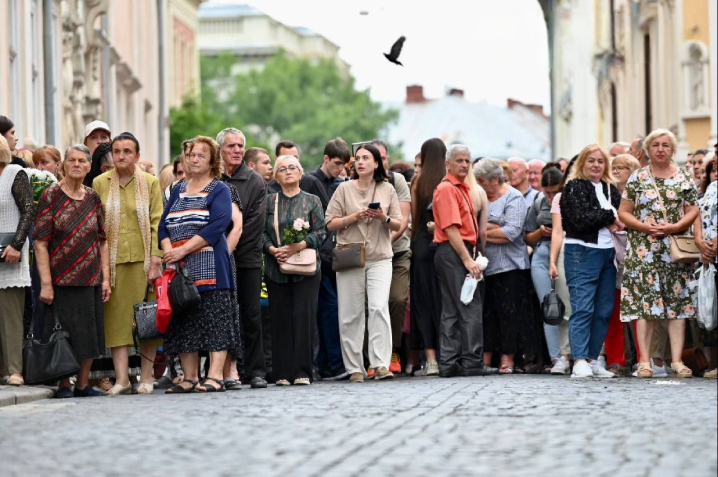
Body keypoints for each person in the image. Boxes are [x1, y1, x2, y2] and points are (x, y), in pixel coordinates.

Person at [160, 136, 239, 393]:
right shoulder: (176, 189)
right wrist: (169, 252)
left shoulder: (220, 189)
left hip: (212, 267)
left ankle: (215, 375)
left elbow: (218, 225)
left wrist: (183, 248)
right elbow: (163, 225)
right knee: (185, 321)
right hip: (180, 269)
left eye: (200, 156)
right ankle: (190, 377)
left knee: (215, 320)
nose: (194, 159)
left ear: (212, 161)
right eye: (191, 155)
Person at [619, 129, 699, 379]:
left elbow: (693, 209)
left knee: (677, 306)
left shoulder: (684, 177)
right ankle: (644, 361)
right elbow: (624, 212)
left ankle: (676, 361)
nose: (661, 149)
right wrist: (645, 227)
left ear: (673, 150)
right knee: (646, 306)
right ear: (647, 150)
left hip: (673, 251)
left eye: (666, 145)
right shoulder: (638, 177)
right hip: (643, 250)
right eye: (655, 145)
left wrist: (675, 227)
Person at [33, 145, 110, 398]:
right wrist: (46, 283)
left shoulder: (92, 198)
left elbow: (102, 239)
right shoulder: (50, 196)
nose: (76, 164)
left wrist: (106, 278)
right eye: (71, 160)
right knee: (62, 333)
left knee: (89, 333)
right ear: (63, 165)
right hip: (60, 279)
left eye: (81, 161)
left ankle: (83, 384)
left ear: (89, 166)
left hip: (90, 278)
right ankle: (64, 383)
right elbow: (41, 243)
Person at [92, 132, 164, 395]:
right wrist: (101, 269)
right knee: (116, 322)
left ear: (137, 155)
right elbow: (97, 226)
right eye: (117, 151)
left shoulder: (150, 182)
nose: (121, 156)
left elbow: (158, 222)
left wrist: (156, 260)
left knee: (147, 319)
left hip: (145, 262)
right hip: (111, 262)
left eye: (127, 151)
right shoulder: (100, 182)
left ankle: (146, 378)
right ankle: (122, 379)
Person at [325, 144, 401, 382]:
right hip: (350, 256)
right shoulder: (343, 189)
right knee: (350, 313)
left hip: (380, 256)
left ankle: (380, 364)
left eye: (366, 158)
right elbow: (329, 223)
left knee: (378, 307)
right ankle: (354, 367)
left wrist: (383, 218)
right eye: (357, 158)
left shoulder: (387, 188)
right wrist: (354, 217)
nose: (360, 162)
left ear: (376, 163)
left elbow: (399, 224)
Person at [556, 144, 622, 378]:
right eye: (591, 160)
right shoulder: (574, 187)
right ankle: (579, 360)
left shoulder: (610, 189)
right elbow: (580, 220)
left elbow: (615, 217)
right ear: (582, 163)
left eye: (600, 161)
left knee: (603, 309)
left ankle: (593, 358)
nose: (596, 165)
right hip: (581, 252)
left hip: (607, 253)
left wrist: (608, 218)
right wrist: (610, 217)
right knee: (582, 307)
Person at [430, 146, 496, 377]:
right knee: (470, 307)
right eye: (459, 160)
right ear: (448, 164)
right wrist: (468, 259)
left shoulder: (460, 188)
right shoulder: (448, 189)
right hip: (454, 252)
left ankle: (449, 363)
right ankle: (472, 362)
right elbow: (451, 229)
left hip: (454, 252)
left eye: (467, 160)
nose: (465, 165)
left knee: (451, 309)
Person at [262, 155, 325, 386]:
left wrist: (301, 244)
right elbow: (260, 232)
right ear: (276, 177)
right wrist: (271, 249)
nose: (288, 171)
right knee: (279, 319)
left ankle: (302, 372)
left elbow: (321, 231)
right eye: (282, 169)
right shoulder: (269, 201)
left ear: (300, 173)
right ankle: (281, 373)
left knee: (303, 317)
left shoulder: (312, 201)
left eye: (292, 167)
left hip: (306, 270)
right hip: (275, 267)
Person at [218, 127, 268, 389]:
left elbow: (254, 224)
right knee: (220, 315)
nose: (236, 150)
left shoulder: (255, 181)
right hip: (214, 257)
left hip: (246, 257)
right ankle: (219, 371)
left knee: (251, 314)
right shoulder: (212, 178)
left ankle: (256, 370)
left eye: (240, 146)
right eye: (231, 146)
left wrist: (231, 247)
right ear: (220, 150)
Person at [474, 158, 532, 374]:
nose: (478, 185)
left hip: (510, 267)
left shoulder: (514, 198)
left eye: (481, 181)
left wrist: (482, 231)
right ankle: (486, 359)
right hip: (485, 267)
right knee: (487, 314)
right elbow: (471, 226)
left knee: (508, 314)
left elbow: (511, 233)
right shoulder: (480, 197)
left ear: (495, 179)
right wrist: (494, 226)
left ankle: (507, 359)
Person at [310, 138, 350, 380]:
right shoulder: (310, 181)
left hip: (335, 255)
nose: (340, 169)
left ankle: (328, 362)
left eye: (344, 164)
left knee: (331, 309)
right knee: (329, 308)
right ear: (326, 158)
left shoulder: (341, 183)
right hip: (319, 255)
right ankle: (333, 363)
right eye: (337, 163)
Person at [371, 139, 411, 374]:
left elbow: (403, 222)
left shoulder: (397, 181)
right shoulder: (357, 182)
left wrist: (384, 244)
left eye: (385, 158)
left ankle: (393, 349)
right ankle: (371, 354)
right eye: (377, 158)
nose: (381, 162)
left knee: (396, 299)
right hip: (369, 255)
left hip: (396, 251)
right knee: (371, 303)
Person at [409, 138, 446, 376]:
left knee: (423, 302)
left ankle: (431, 359)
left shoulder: (417, 181)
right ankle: (447, 355)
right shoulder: (448, 181)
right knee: (444, 301)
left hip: (422, 243)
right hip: (443, 244)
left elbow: (414, 217)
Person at [603, 153, 641, 374]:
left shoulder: (639, 194)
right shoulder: (604, 193)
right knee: (613, 310)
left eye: (622, 167)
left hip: (634, 254)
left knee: (637, 312)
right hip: (610, 256)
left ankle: (641, 359)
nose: (616, 171)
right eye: (614, 167)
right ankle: (615, 360)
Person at [0, 136, 33, 386]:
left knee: (11, 314)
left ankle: (15, 370)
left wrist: (17, 245)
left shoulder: (14, 173)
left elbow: (28, 210)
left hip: (11, 252)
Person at [525, 167, 565, 370]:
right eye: (546, 192)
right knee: (549, 307)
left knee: (568, 305)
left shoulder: (567, 200)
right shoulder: (538, 202)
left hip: (563, 252)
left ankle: (570, 353)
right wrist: (541, 232)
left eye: (554, 192)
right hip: (541, 252)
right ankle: (555, 357)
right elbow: (527, 237)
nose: (550, 196)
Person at [694, 148, 717, 380]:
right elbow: (699, 216)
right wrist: (701, 242)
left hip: (714, 250)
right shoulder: (709, 190)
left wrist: (714, 243)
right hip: (709, 257)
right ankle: (713, 363)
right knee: (711, 308)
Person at [268, 141, 329, 210]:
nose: (291, 161)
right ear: (276, 159)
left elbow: (326, 212)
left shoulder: (310, 182)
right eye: (286, 158)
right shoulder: (269, 190)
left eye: (295, 158)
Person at [83, 120, 112, 187]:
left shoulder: (117, 164)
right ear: (85, 143)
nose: (99, 141)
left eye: (103, 137)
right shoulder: (80, 166)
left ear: (110, 141)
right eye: (93, 137)